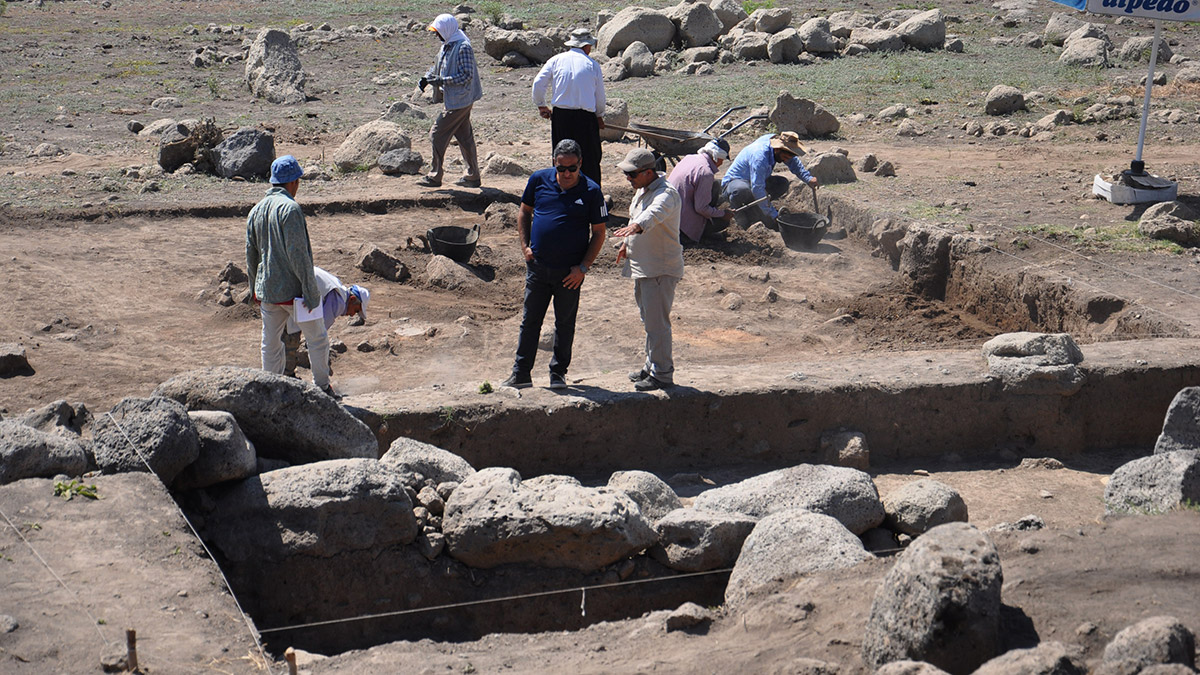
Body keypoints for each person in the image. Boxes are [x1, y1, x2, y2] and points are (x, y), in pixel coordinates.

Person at [502, 139, 608, 390]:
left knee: (565, 323)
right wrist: (525, 246)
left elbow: (600, 233)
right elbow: (524, 211)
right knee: (530, 321)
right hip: (538, 267)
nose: (567, 174)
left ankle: (558, 373)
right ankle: (521, 374)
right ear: (554, 163)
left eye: (572, 168)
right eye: (561, 168)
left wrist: (583, 268)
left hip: (569, 273)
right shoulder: (538, 180)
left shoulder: (592, 191)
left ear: (580, 164)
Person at [245, 155, 334, 396]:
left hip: (268, 291)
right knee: (317, 339)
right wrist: (310, 290)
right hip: (294, 293)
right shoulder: (290, 209)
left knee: (270, 343)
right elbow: (299, 255)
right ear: (293, 182)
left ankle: (270, 388)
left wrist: (254, 287)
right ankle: (323, 388)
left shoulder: (255, 211)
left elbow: (250, 255)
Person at [613, 148, 684, 391]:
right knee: (649, 321)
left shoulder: (667, 194)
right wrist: (625, 244)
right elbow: (636, 217)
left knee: (657, 324)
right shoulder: (643, 191)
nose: (628, 179)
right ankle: (651, 365)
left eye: (631, 174)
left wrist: (635, 228)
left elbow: (653, 215)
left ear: (648, 172)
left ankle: (662, 374)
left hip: (659, 269)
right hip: (644, 267)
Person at [531, 28, 606, 187]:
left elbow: (538, 83)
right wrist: (599, 115)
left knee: (562, 155)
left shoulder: (556, 60)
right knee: (590, 158)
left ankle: (562, 193)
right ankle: (591, 197)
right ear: (586, 46)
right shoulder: (593, 65)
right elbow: (599, 96)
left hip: (561, 118)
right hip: (586, 118)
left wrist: (541, 106)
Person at [417, 13, 483, 189]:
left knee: (437, 134)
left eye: (437, 31)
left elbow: (466, 76)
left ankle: (434, 176)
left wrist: (441, 81)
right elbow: (438, 65)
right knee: (464, 137)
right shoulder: (447, 45)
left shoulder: (463, 47)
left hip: (460, 100)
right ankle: (472, 176)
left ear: (446, 29)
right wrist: (427, 78)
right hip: (454, 99)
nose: (436, 35)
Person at [720, 131, 818, 231]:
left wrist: (808, 178)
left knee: (781, 183)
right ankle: (741, 220)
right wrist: (774, 215)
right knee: (742, 191)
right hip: (735, 182)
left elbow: (794, 163)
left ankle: (755, 210)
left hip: (754, 181)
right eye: (785, 157)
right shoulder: (760, 156)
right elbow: (757, 188)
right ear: (777, 150)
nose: (786, 160)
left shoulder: (775, 143)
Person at [283, 267, 369, 380]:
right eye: (356, 310)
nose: (352, 315)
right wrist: (325, 366)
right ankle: (287, 379)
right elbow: (318, 335)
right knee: (291, 339)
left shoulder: (338, 287)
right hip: (291, 293)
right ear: (352, 299)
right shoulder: (339, 302)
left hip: (287, 284)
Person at [667, 138, 733, 243]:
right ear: (717, 157)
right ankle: (695, 236)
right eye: (722, 160)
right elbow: (701, 208)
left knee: (715, 185)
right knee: (723, 222)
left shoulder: (689, 158)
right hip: (680, 224)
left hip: (667, 213)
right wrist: (722, 214)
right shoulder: (706, 173)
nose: (721, 163)